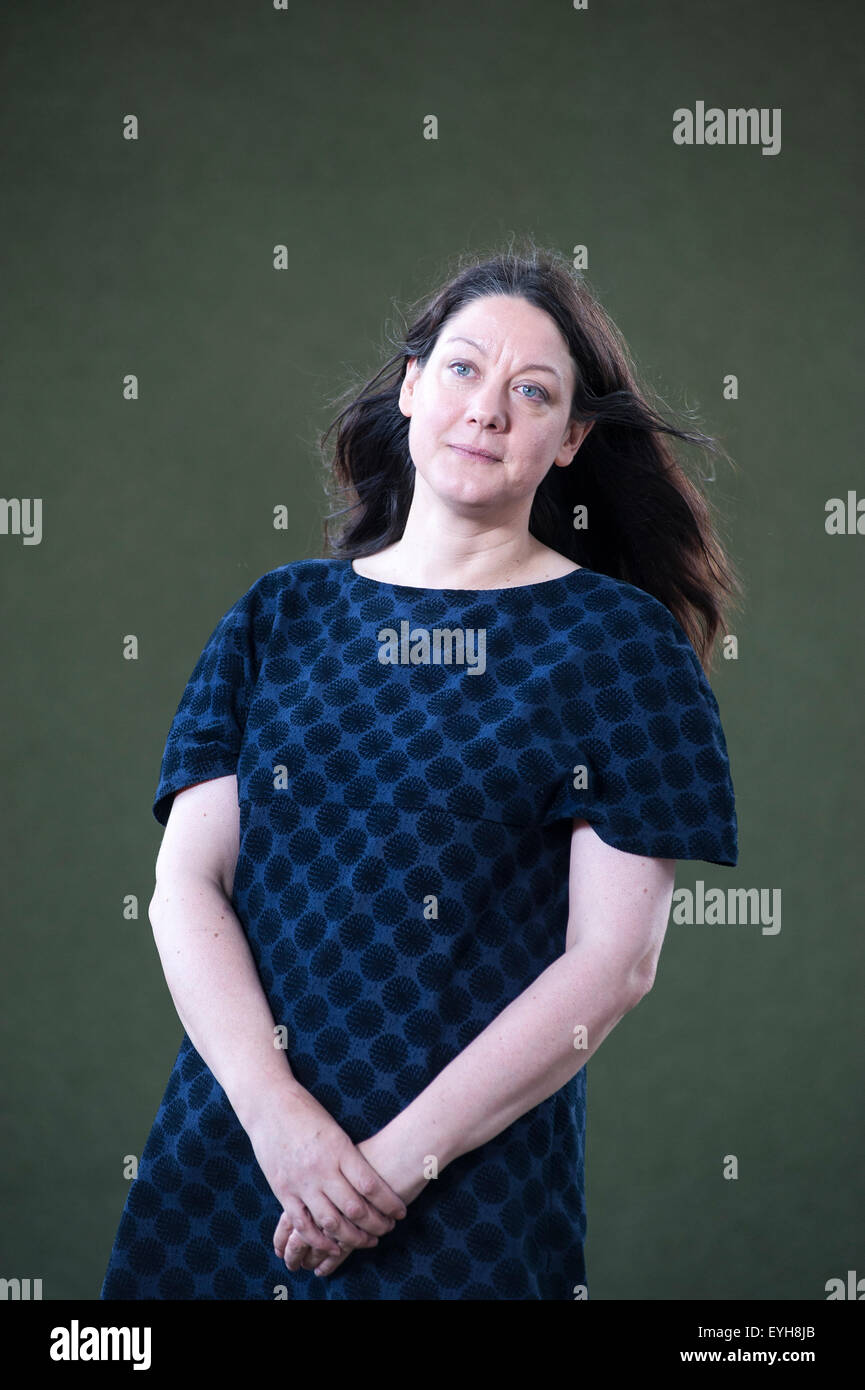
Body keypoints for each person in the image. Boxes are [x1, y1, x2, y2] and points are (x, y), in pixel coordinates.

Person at [100, 242, 740, 1300]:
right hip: (233, 1162)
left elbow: (612, 962)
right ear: (409, 387)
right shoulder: (279, 616)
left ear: (571, 438)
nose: (487, 408)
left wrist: (383, 1173)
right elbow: (185, 887)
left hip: (467, 1197)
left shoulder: (619, 647)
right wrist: (280, 1125)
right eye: (461, 368)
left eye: (531, 392)